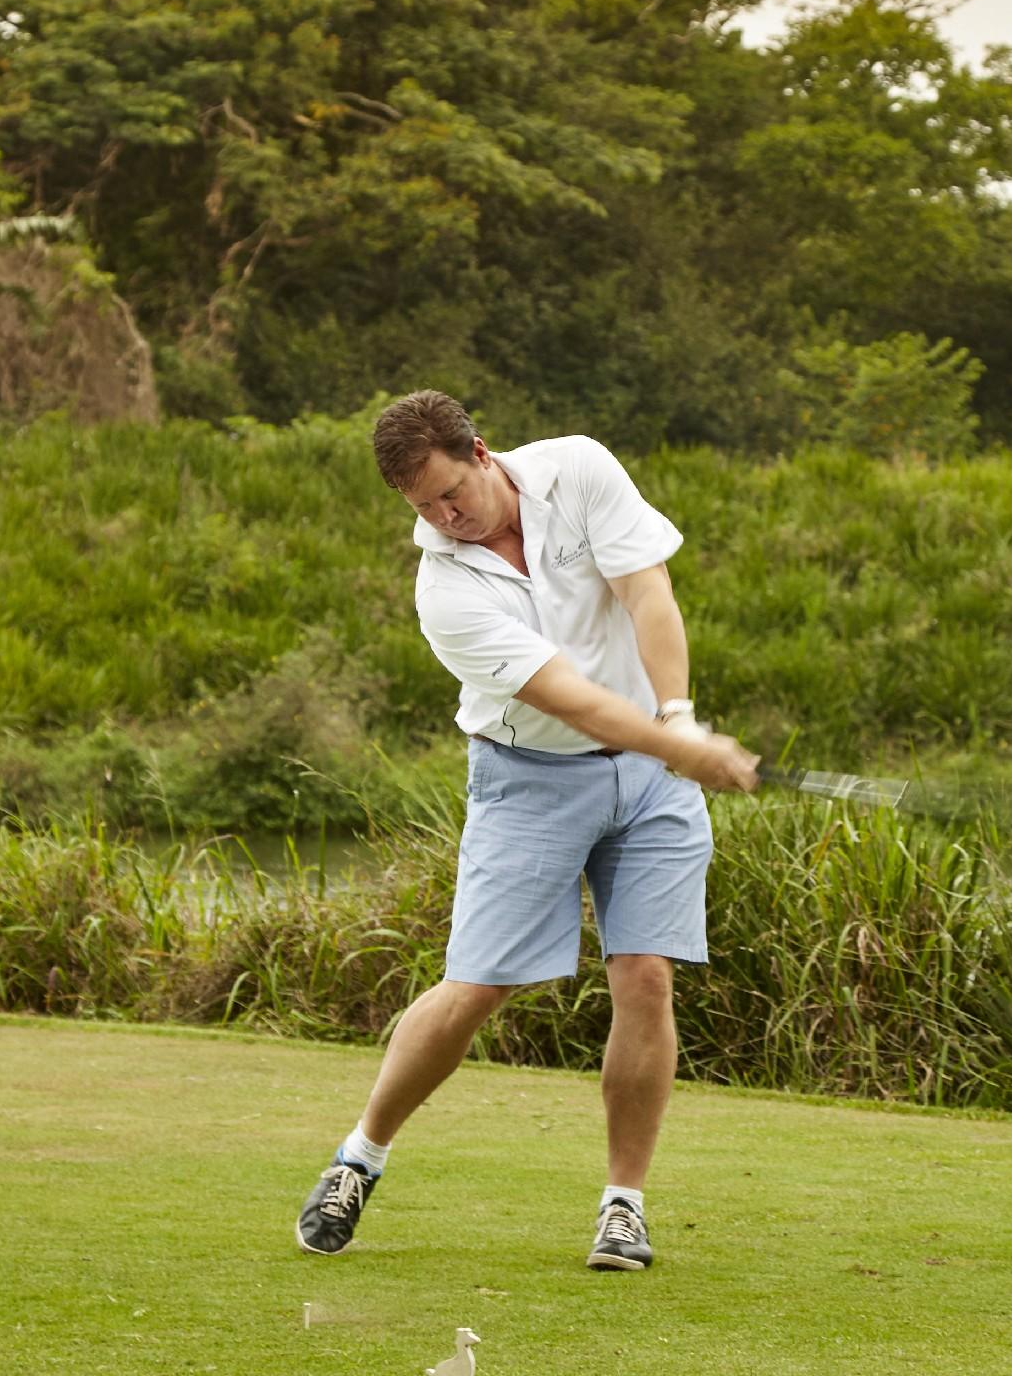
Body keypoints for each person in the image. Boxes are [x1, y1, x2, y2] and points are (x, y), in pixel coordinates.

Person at [297, 391, 760, 1271]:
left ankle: (623, 1205)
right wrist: (679, 745)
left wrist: (680, 718)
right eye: (423, 509)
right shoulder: (444, 587)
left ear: (480, 451)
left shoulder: (578, 467)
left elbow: (646, 591)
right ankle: (363, 1154)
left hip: (650, 777)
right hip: (530, 777)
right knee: (476, 990)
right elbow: (569, 697)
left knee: (646, 977)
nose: (444, 519)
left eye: (450, 495)